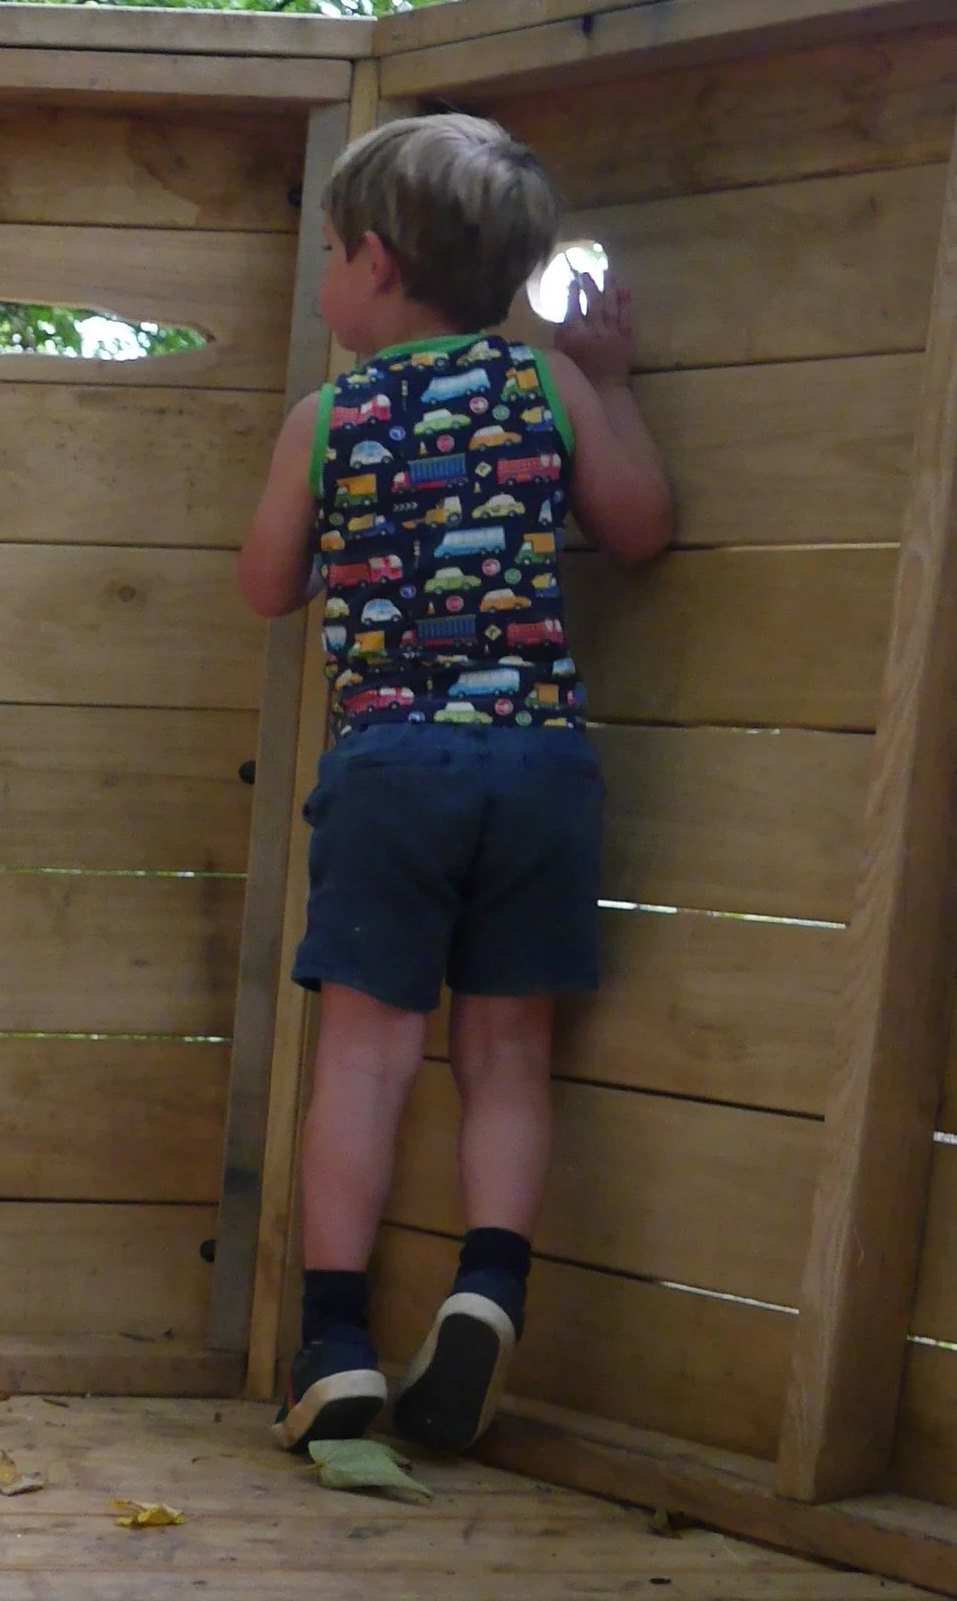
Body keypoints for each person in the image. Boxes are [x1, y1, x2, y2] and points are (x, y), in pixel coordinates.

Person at [237, 112, 672, 1454]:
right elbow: (640, 528)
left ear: (372, 264)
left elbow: (265, 586)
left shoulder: (331, 413)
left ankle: (337, 1341)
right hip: (537, 763)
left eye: (325, 253)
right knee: (507, 1054)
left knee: (365, 1061)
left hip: (389, 768)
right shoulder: (545, 389)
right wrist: (608, 379)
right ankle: (490, 1287)